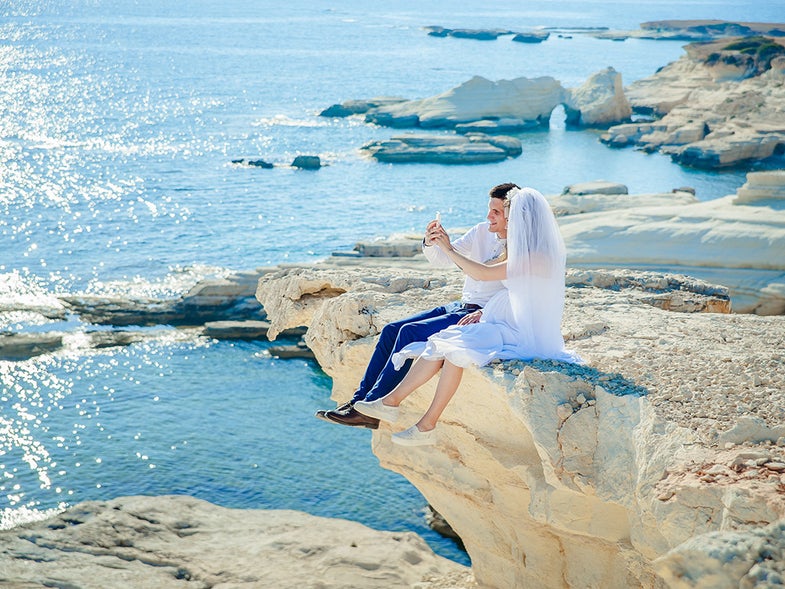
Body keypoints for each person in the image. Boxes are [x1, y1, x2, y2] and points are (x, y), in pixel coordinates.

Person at [353, 187, 581, 446]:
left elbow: (484, 274)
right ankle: (400, 409)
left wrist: (449, 249)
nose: (490, 217)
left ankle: (406, 412)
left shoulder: (537, 256)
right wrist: (485, 309)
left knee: (453, 344)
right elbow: (505, 280)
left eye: (498, 212)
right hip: (503, 314)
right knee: (450, 343)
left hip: (524, 328)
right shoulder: (518, 249)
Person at [316, 183, 519, 429]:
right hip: (461, 304)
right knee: (391, 329)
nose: (489, 217)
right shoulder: (480, 232)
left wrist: (484, 312)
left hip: (481, 313)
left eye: (496, 212)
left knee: (408, 333)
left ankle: (373, 407)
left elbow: (519, 294)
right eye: (489, 210)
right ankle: (359, 403)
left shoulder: (522, 248)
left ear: (511, 216)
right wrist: (432, 241)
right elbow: (443, 259)